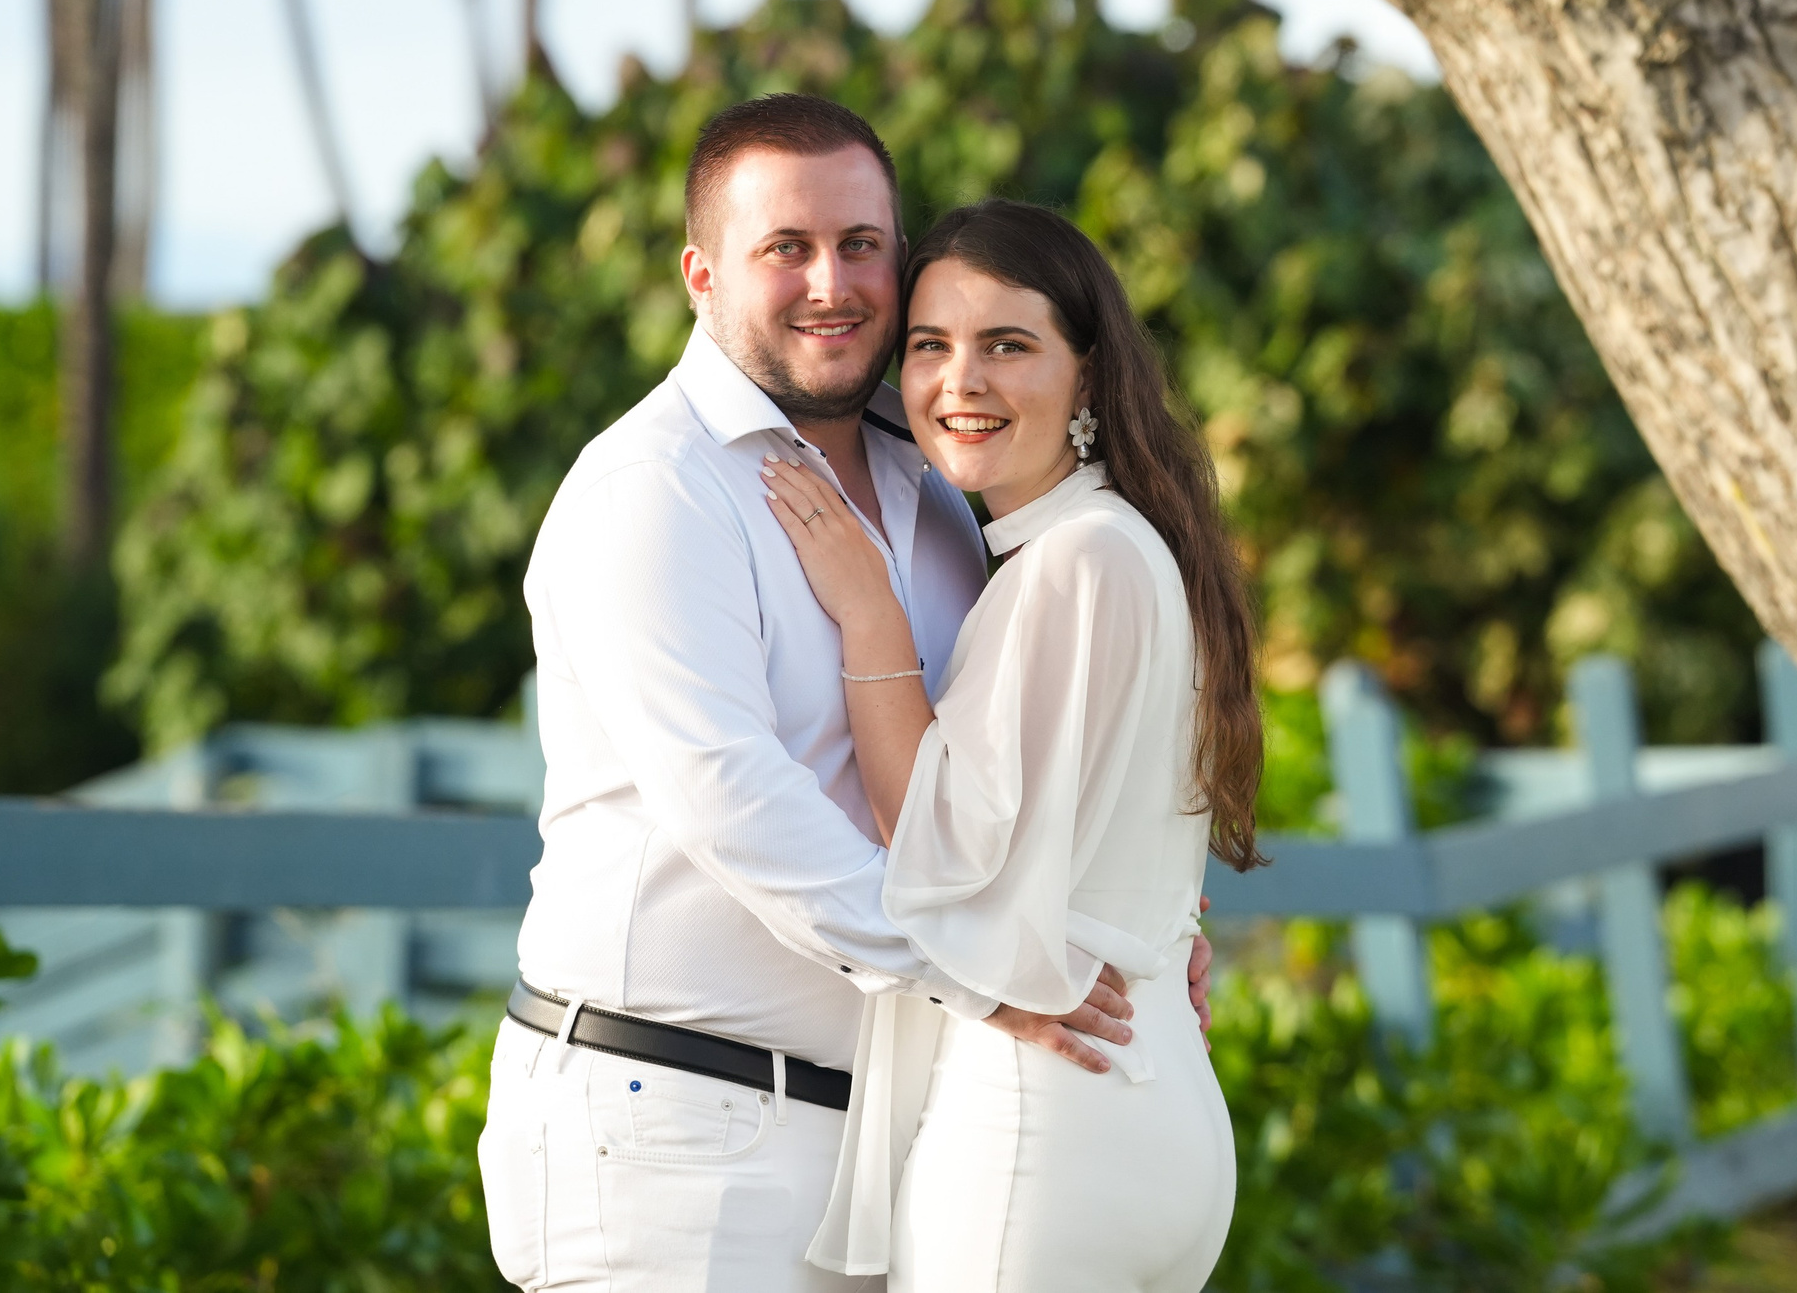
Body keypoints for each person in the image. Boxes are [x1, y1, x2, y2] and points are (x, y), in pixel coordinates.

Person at [477, 96, 1213, 1293]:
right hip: (676, 1127)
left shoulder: (934, 491)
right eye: (788, 249)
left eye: (863, 244)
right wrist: (991, 964)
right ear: (701, 273)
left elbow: (1010, 767)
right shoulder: (650, 493)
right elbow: (737, 804)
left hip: (898, 1133)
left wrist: (1116, 917)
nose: (834, 282)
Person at [763, 199, 1261, 1292]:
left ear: (1089, 375)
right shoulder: (1121, 545)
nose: (959, 381)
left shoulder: (1076, 559)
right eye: (930, 346)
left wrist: (869, 614)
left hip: (1048, 1128)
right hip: (1145, 1108)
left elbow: (939, 852)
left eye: (1007, 345)